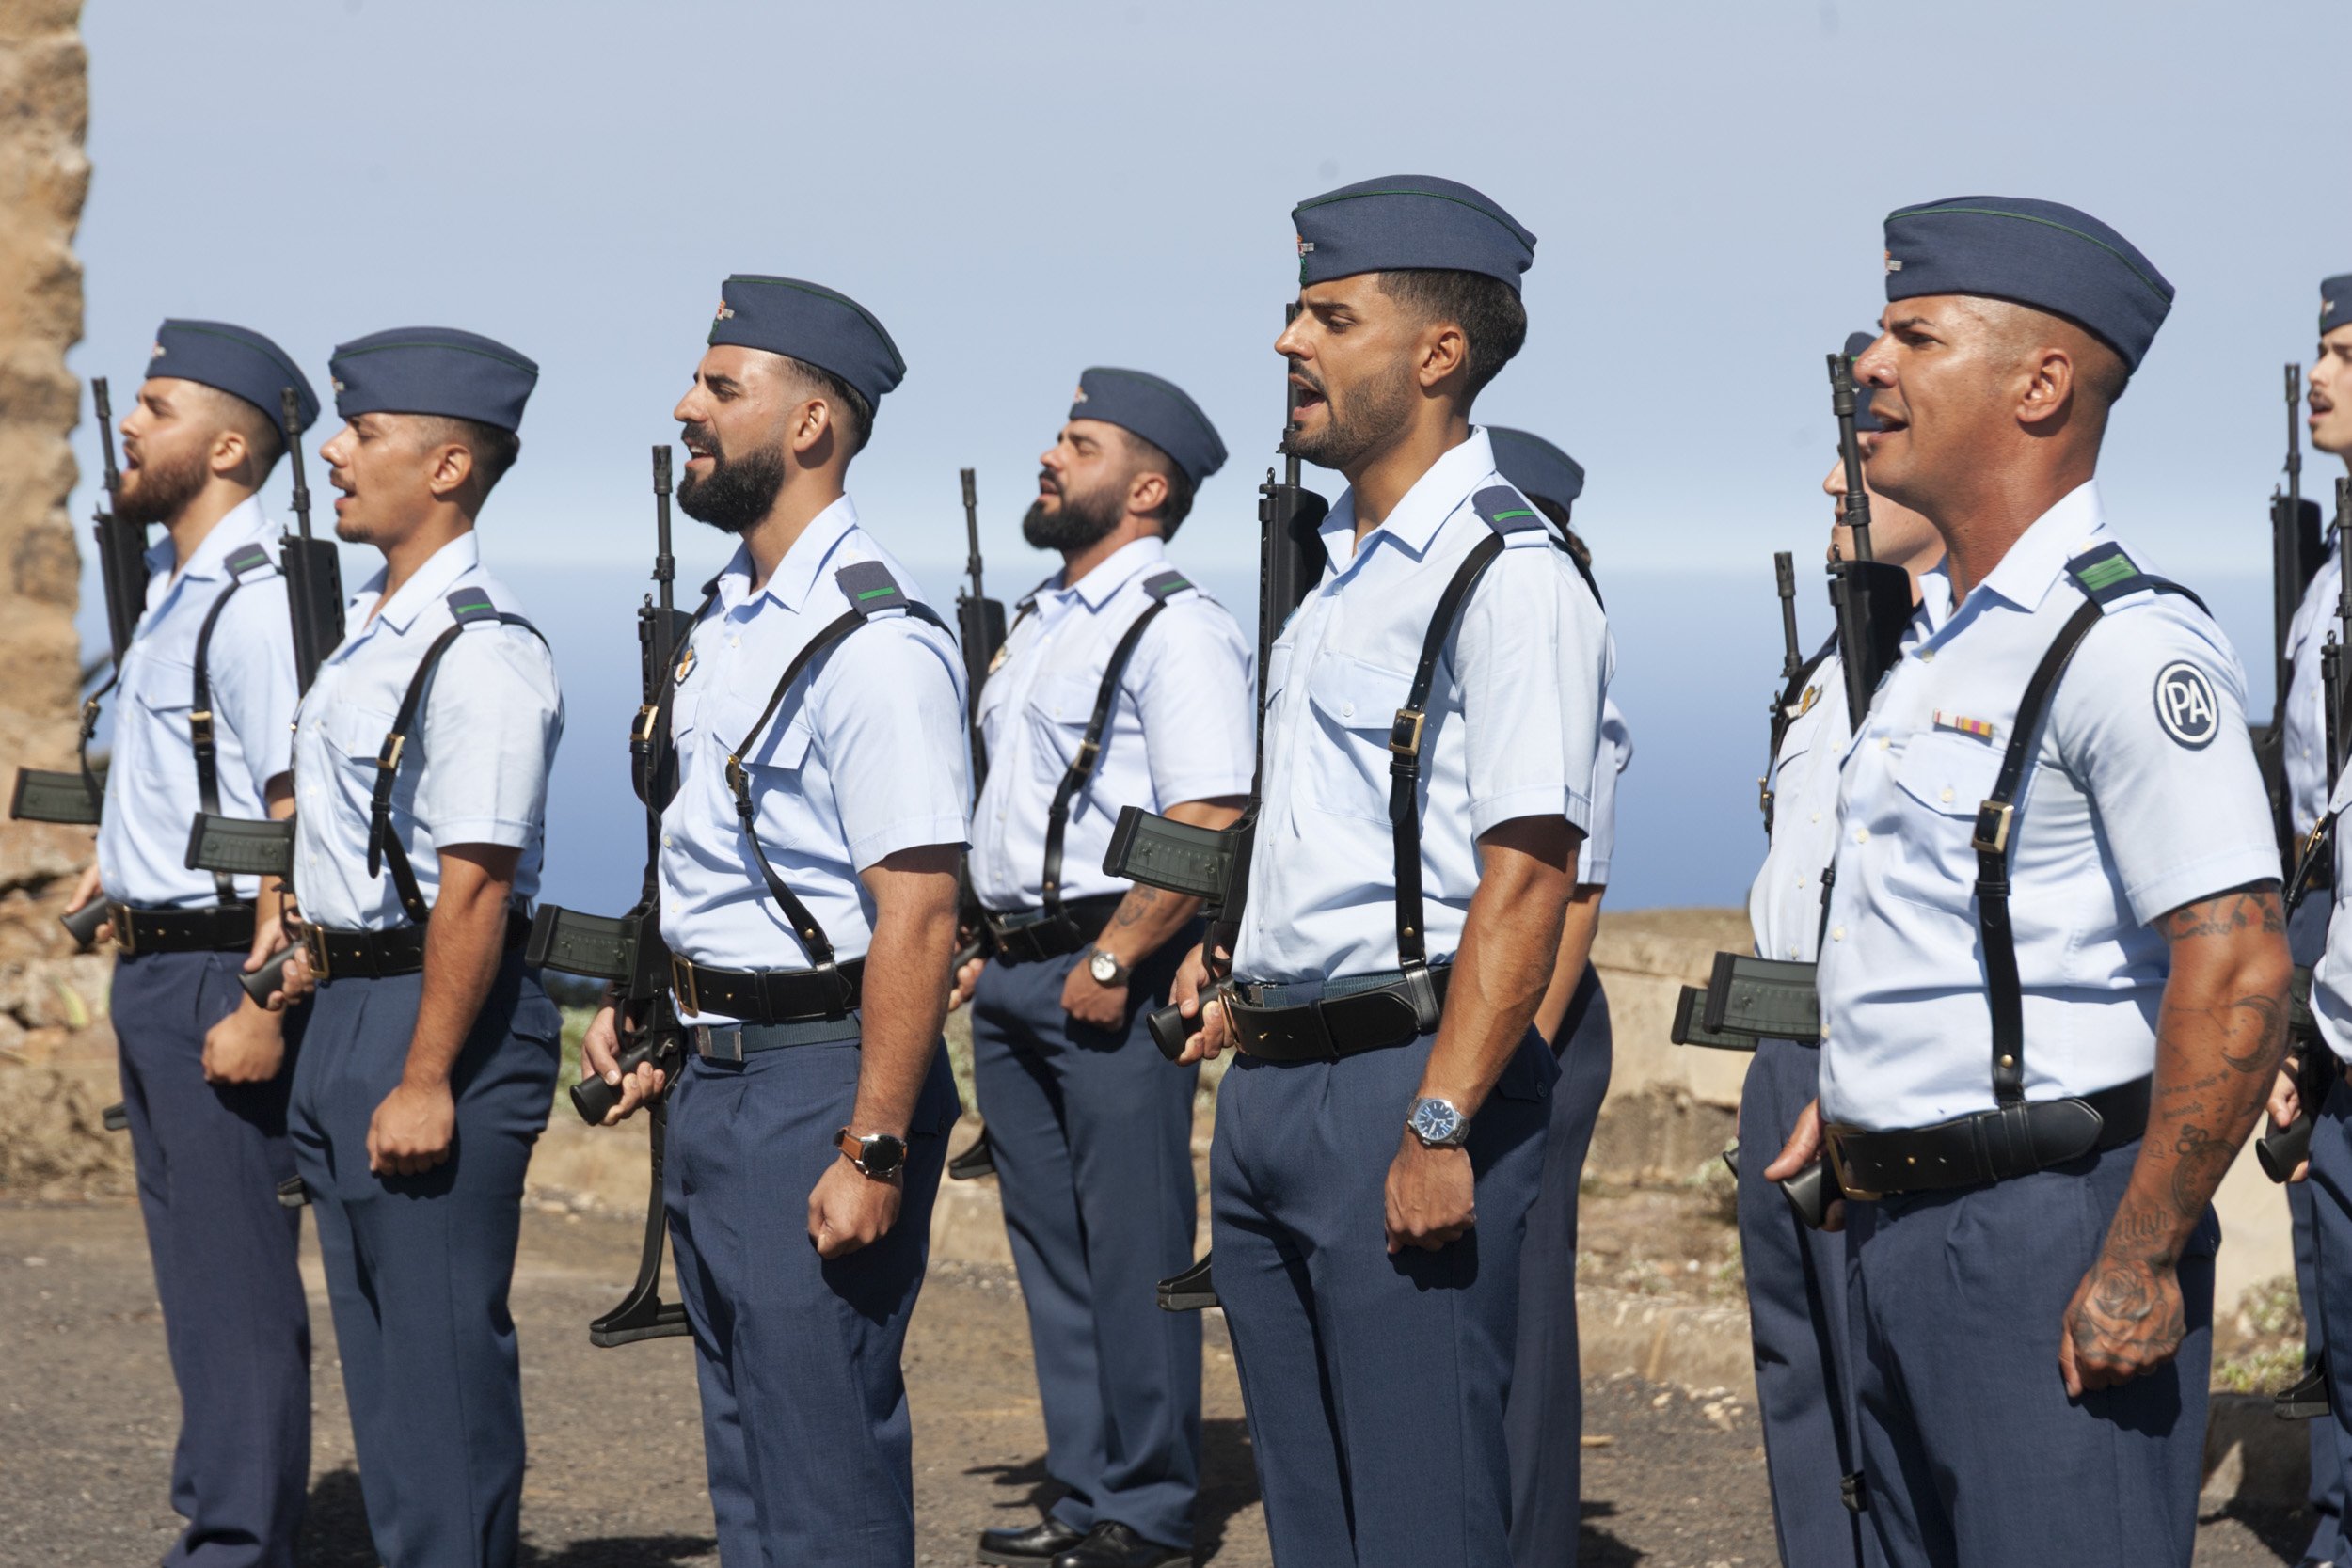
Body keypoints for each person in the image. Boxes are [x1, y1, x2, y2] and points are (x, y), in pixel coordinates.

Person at [1768, 198, 2292, 1567]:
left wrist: (2140, 1255)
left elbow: (2236, 961)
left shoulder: (2126, 643)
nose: (1870, 363)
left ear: (2040, 384)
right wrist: (1870, 1081)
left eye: (1914, 335)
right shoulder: (1937, 648)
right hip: (1891, 1229)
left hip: (2046, 1234)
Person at [1166, 174, 1612, 1568]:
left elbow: (1531, 872)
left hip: (1406, 1081)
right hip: (1281, 1082)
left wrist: (1439, 1120)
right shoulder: (1347, 571)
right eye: (1297, 309)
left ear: (1436, 355)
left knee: (1423, 1518)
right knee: (1316, 1516)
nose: (1290, 340)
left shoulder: (1509, 572)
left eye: (1330, 314)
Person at [580, 276, 967, 1568]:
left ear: (811, 426)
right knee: (750, 1460)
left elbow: (915, 913)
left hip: (820, 1078)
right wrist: (651, 1010)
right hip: (717, 1073)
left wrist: (875, 1143)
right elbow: (707, 855)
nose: (686, 408)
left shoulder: (874, 639)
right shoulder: (728, 620)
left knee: (823, 1466)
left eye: (719, 387)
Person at [953, 370, 1252, 1568]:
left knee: (1129, 1245)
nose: (1048, 455)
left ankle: (1150, 1508)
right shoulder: (1042, 615)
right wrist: (985, 945)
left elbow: (1209, 809)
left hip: (1107, 961)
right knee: (1052, 1249)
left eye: (1076, 443)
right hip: (1022, 964)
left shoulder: (1174, 621)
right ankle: (1083, 1487)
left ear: (1145, 486)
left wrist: (1123, 949)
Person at [277, 327, 563, 1568]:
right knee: (386, 1371)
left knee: (438, 1378)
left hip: (432, 1016)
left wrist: (428, 1071)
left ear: (448, 464)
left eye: (365, 432)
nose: (336, 451)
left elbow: (474, 887)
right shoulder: (376, 631)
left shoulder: (481, 650)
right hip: (352, 1005)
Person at [56, 320, 315, 1568]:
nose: (128, 422)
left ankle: (240, 1539)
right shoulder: (172, 582)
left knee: (237, 1275)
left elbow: (290, 807)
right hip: (156, 957)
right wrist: (120, 860)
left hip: (221, 963)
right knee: (191, 1266)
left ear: (224, 445)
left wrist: (264, 993)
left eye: (153, 406)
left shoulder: (257, 601)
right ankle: (217, 1496)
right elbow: (178, 769)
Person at [1737, 339, 1940, 1568]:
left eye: (1857, 464)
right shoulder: (1831, 663)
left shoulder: (1955, 664)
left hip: (1876, 1044)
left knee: (1887, 1380)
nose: (1831, 486)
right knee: (1798, 1371)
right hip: (1783, 1039)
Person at [1484, 426, 1629, 1568]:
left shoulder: (1563, 655)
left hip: (1533, 1024)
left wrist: (1509, 1060)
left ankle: (1530, 1540)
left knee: (1524, 1300)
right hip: (1475, 1018)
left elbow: (1570, 897)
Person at [2276, 270, 2352, 1568]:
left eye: (2348, 349)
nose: (2321, 373)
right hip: (2326, 925)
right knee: (2335, 1283)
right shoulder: (2332, 568)